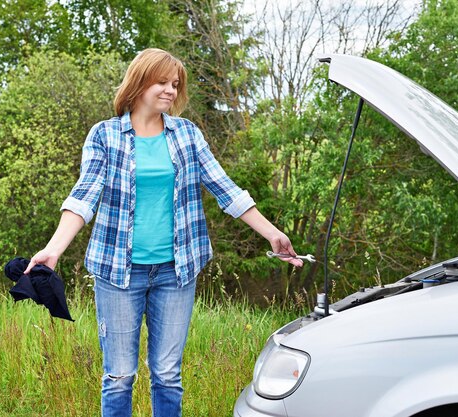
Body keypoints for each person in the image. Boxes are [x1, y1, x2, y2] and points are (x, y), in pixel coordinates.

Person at [24, 48, 303, 417]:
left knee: (168, 375)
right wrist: (54, 249)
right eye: (162, 82)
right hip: (118, 273)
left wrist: (272, 234)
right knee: (119, 375)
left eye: (175, 84)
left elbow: (226, 188)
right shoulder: (105, 136)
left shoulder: (186, 134)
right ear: (139, 82)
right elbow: (84, 195)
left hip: (176, 272)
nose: (171, 90)